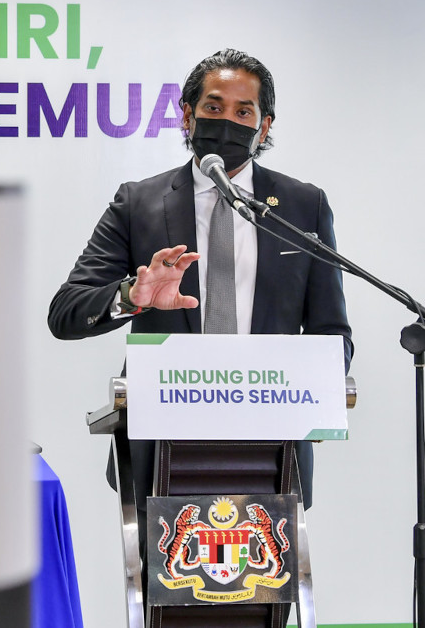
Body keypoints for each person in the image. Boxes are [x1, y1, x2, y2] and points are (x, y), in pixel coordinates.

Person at [48, 48, 353, 513]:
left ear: (264, 126)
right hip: (162, 450)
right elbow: (67, 312)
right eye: (213, 107)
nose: (226, 120)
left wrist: (319, 390)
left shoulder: (301, 206)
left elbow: (332, 333)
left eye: (242, 111)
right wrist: (132, 296)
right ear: (187, 115)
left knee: (275, 585)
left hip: (272, 452)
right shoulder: (139, 203)